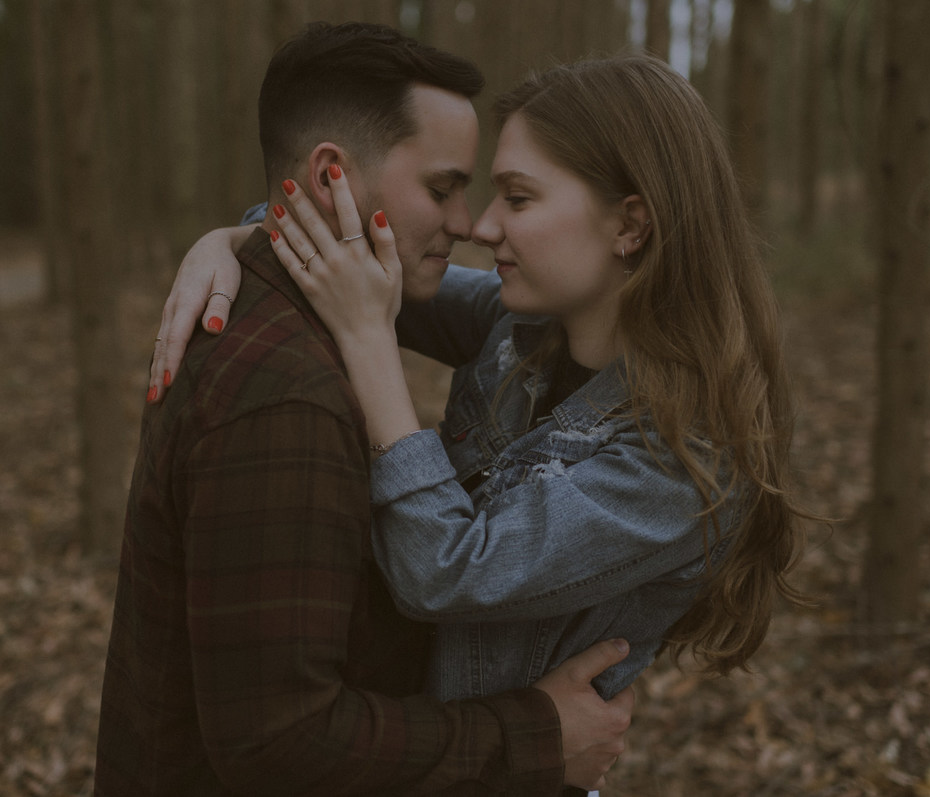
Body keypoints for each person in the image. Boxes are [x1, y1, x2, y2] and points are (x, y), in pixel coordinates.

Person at [158, 45, 811, 766]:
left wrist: (370, 342)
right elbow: (351, 255)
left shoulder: (686, 460)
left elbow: (443, 569)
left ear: (631, 225)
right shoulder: (521, 327)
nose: (482, 225)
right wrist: (228, 239)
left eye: (519, 198)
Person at [97, 23, 635, 797]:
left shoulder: (292, 316)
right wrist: (535, 735)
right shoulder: (288, 392)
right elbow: (278, 740)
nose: (469, 222)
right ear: (332, 178)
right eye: (443, 187)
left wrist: (246, 229)